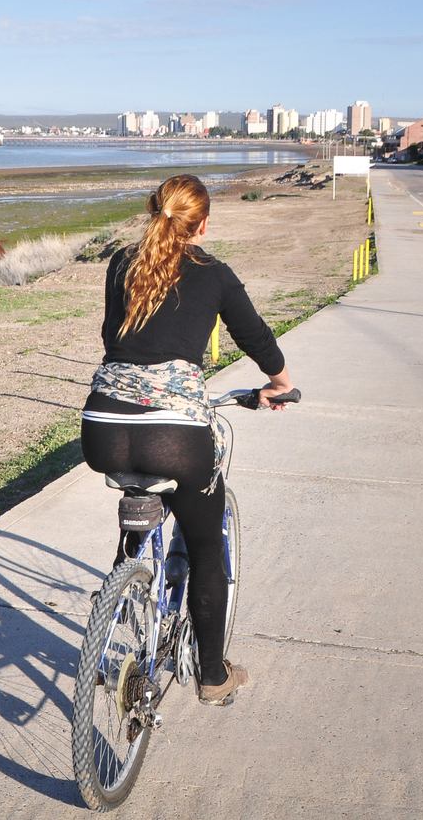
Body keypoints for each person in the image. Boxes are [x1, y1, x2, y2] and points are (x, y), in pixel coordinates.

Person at [81, 174, 294, 707]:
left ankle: (123, 592)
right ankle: (214, 675)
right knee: (205, 548)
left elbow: (114, 339)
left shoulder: (120, 264)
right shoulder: (214, 273)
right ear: (201, 223)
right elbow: (255, 336)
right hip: (174, 432)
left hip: (102, 428)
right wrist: (279, 384)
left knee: (139, 491)